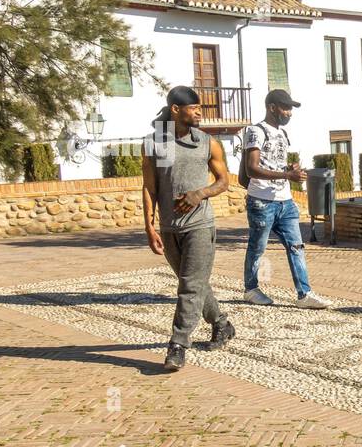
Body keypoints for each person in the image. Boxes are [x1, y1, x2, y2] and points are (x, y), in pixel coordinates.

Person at [141, 86, 236, 371]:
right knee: (193, 282)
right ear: (175, 110)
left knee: (188, 286)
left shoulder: (208, 143)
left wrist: (200, 194)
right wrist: (149, 225)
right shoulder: (153, 143)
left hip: (200, 225)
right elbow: (149, 187)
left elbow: (224, 181)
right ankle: (222, 324)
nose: (199, 113)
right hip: (169, 228)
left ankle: (178, 345)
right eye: (194, 108)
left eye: (200, 108)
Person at [240, 89, 330, 309]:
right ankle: (251, 289)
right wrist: (287, 175)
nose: (289, 113)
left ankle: (304, 294)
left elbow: (273, 163)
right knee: (257, 247)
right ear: (272, 107)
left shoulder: (281, 134)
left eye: (291, 109)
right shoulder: (255, 131)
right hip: (262, 201)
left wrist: (290, 169)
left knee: (296, 246)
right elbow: (252, 169)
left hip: (285, 201)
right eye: (286, 108)